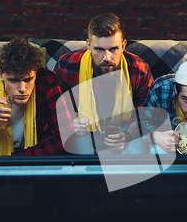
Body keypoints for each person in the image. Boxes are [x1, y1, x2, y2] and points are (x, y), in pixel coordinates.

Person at [54, 13, 154, 154]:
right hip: (83, 132)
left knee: (136, 151)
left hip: (123, 129)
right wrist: (71, 123)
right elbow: (54, 111)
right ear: (88, 45)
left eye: (113, 49)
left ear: (124, 45)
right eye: (99, 49)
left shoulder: (139, 70)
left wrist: (126, 136)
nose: (107, 58)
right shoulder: (67, 66)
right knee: (81, 152)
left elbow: (145, 117)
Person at [0, 37, 70, 156]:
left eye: (28, 79)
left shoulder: (47, 82)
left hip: (33, 158)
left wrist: (16, 160)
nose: (22, 89)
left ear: (35, 73)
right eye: (14, 80)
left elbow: (64, 137)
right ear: (1, 75)